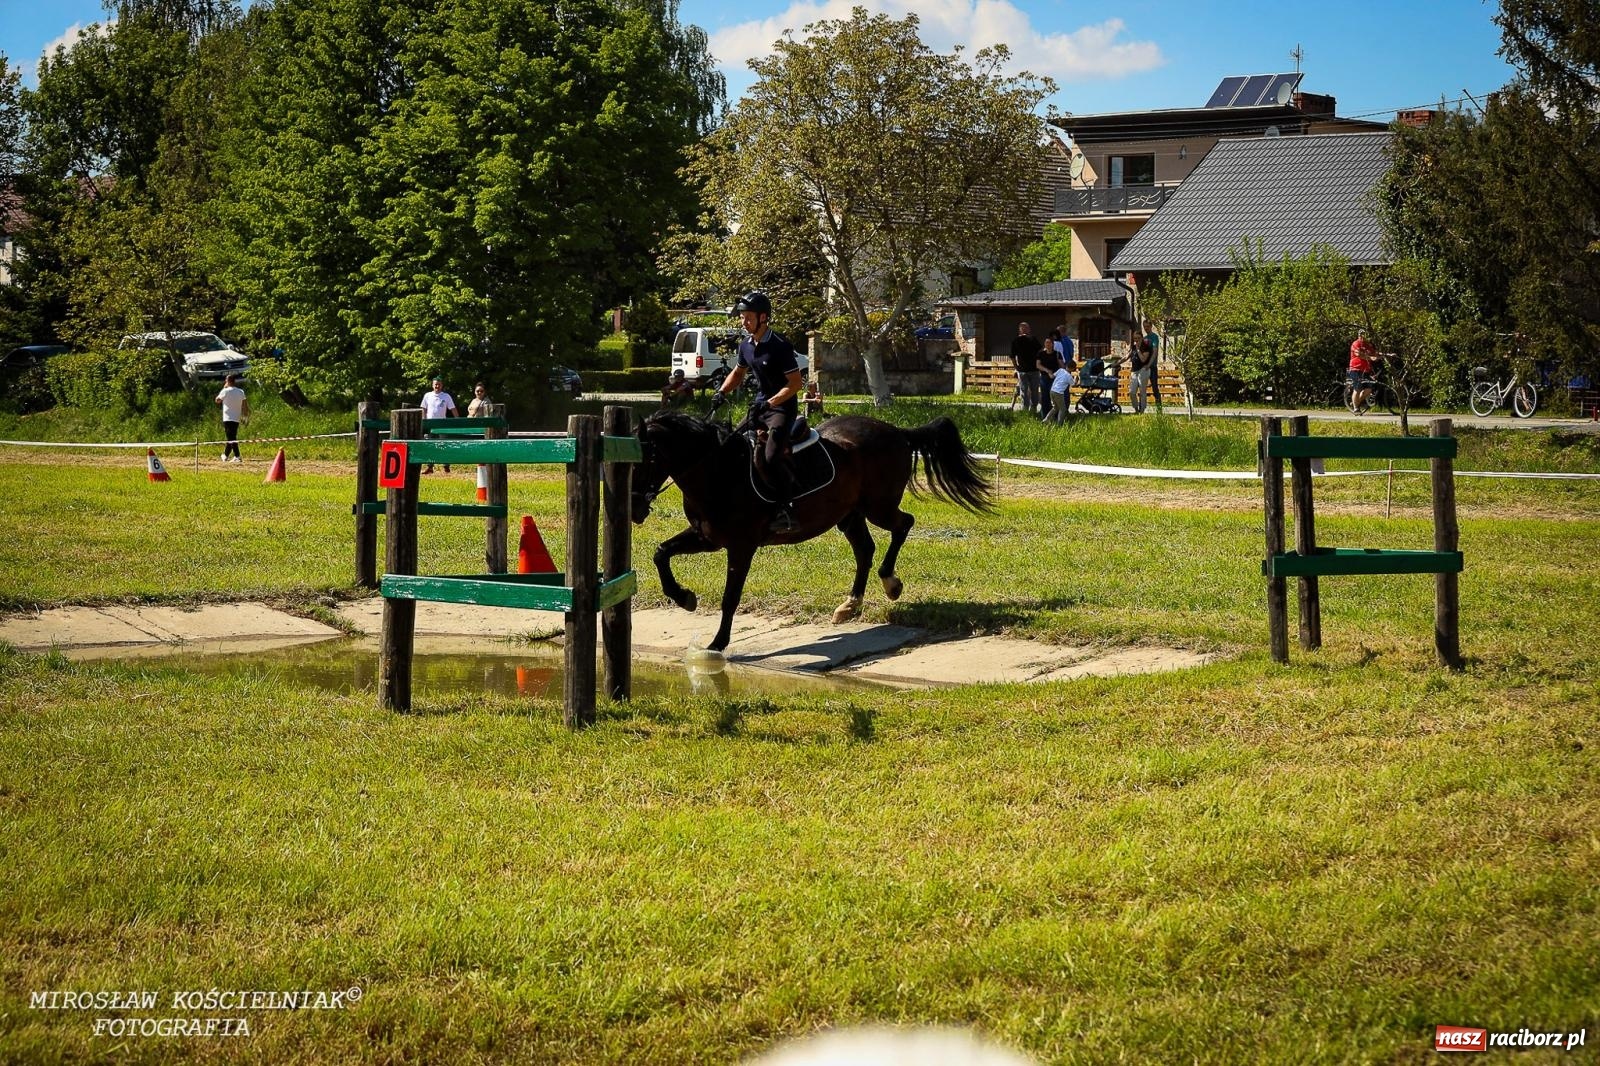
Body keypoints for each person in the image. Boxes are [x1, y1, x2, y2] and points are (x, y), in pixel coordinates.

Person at [709, 290, 804, 533]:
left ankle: (786, 507)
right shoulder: (746, 346)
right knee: (730, 444)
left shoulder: (780, 346)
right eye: (742, 317)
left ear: (763, 318)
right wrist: (722, 392)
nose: (743, 321)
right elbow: (738, 373)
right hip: (759, 405)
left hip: (781, 408)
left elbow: (795, 384)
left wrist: (771, 403)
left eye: (747, 317)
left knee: (771, 457)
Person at [420, 377, 457, 472]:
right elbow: (423, 408)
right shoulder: (427, 395)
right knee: (429, 444)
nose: (437, 386)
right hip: (429, 424)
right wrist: (424, 420)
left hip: (442, 424)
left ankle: (446, 466)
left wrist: (457, 420)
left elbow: (453, 408)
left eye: (439, 384)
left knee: (443, 445)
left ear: (442, 385)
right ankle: (429, 466)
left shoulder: (446, 396)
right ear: (432, 385)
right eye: (435, 384)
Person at [214, 374, 248, 463]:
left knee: (231, 437)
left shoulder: (225, 391)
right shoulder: (241, 391)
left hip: (228, 417)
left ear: (228, 381)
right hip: (236, 417)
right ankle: (225, 455)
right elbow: (244, 404)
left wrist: (223, 388)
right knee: (231, 436)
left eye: (226, 381)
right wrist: (245, 415)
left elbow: (217, 400)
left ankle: (237, 456)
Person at [1010, 322, 1041, 414]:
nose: (1028, 330)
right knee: (1034, 390)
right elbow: (1040, 352)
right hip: (1032, 369)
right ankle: (1033, 408)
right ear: (1026, 329)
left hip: (1024, 369)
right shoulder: (1033, 339)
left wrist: (1016, 367)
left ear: (1020, 330)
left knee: (1024, 390)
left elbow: (1012, 356)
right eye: (1027, 328)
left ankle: (1025, 409)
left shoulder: (1016, 341)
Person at [1348, 330, 1380, 413]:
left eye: (1364, 335)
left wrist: (1388, 355)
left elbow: (1375, 353)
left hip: (1366, 370)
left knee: (1368, 389)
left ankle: (1356, 401)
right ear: (1358, 335)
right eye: (1361, 335)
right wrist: (1370, 358)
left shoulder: (1368, 345)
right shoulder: (1356, 343)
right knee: (1358, 388)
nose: (1362, 337)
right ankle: (1356, 408)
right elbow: (1358, 354)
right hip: (1355, 369)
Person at [1035, 334, 1061, 418]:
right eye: (1046, 342)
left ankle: (1056, 416)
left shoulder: (1057, 354)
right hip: (1044, 378)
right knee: (1045, 398)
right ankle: (1044, 417)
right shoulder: (1041, 354)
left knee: (1055, 398)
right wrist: (1047, 371)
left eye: (1049, 342)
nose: (1048, 344)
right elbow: (1038, 365)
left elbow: (1061, 365)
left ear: (1053, 344)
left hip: (1055, 378)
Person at [1042, 361, 1074, 426]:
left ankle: (1046, 419)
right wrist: (1076, 380)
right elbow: (1073, 385)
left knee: (1055, 407)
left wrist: (1048, 372)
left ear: (1066, 366)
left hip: (1052, 391)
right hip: (1058, 393)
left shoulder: (1060, 370)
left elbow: (1051, 376)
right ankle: (1059, 424)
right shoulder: (1069, 376)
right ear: (1072, 369)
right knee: (1063, 409)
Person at [1128, 337, 1152, 413]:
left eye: (1137, 338)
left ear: (1141, 338)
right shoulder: (1133, 347)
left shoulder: (1146, 348)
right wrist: (1117, 363)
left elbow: (1143, 359)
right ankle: (1136, 409)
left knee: (1142, 392)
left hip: (1143, 370)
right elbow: (1127, 356)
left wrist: (1138, 350)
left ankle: (1142, 411)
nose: (1136, 340)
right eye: (1134, 338)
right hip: (1134, 371)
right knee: (1132, 392)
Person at [1142, 322, 1161, 408]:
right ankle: (1141, 407)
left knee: (1154, 388)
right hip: (1144, 368)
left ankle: (1159, 408)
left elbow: (1155, 352)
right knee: (1142, 388)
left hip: (1152, 367)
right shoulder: (1144, 338)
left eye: (1147, 326)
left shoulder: (1154, 337)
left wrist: (1149, 364)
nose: (1146, 328)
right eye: (1144, 327)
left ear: (1151, 326)